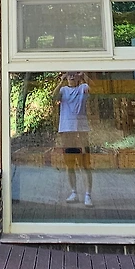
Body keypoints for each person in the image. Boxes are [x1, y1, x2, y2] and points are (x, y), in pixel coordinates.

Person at [56, 71, 93, 206]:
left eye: (74, 74)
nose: (71, 76)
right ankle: (74, 192)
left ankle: (88, 195)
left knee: (85, 164)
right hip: (67, 131)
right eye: (69, 74)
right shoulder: (63, 90)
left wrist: (84, 76)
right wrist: (61, 80)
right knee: (69, 164)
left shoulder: (83, 87)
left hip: (81, 131)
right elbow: (53, 97)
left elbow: (94, 90)